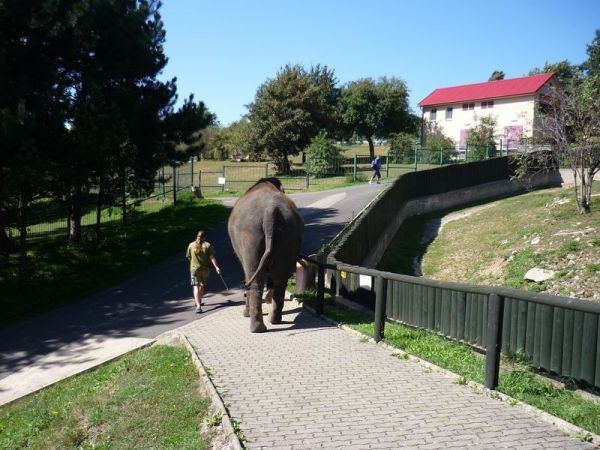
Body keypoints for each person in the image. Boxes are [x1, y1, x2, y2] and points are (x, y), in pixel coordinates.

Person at [186, 230, 221, 313]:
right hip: (205, 269)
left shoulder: (191, 245)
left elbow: (188, 256)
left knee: (195, 286)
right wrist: (216, 267)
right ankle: (199, 300)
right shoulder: (207, 245)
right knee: (202, 285)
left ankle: (198, 305)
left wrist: (193, 263)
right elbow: (212, 257)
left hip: (194, 269)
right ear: (205, 237)